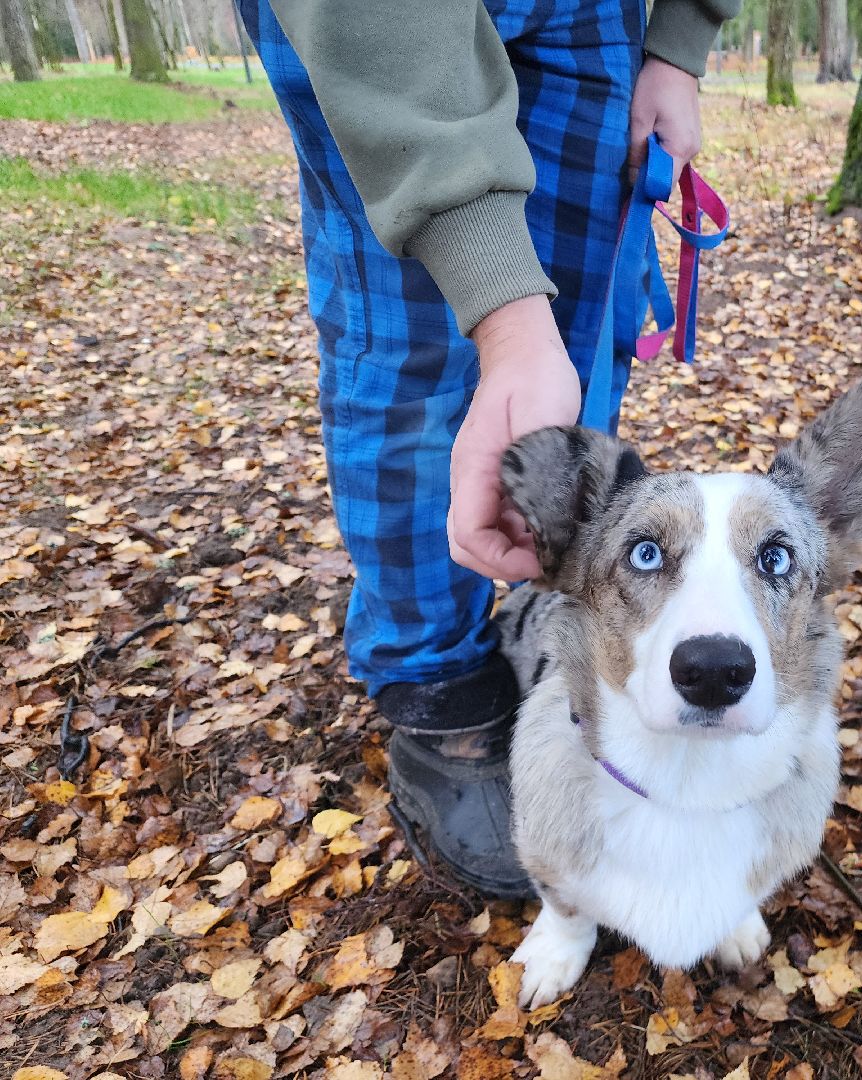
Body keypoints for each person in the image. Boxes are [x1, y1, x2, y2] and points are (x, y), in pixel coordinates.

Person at [235, 0, 738, 897]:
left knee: (577, 333)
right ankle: (435, 685)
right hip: (379, 22)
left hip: (599, 14)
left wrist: (679, 43)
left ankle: (545, 617)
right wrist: (504, 320)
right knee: (412, 343)